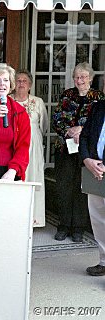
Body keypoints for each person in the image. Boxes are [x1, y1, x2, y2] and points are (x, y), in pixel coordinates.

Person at [52, 62, 105, 242]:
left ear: (90, 78)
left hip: (86, 151)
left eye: (83, 77)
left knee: (82, 188)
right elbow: (57, 118)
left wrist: (82, 129)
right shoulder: (67, 95)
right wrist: (69, 130)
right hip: (64, 147)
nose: (80, 80)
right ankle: (64, 225)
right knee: (64, 187)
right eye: (77, 77)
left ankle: (78, 228)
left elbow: (97, 124)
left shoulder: (99, 98)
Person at [11, 70, 48, 227]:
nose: (21, 83)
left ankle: (35, 219)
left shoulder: (37, 102)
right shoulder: (7, 100)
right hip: (13, 144)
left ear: (30, 85)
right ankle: (14, 220)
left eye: (24, 81)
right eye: (18, 80)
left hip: (33, 144)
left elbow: (44, 125)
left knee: (34, 177)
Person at [79, 100, 105, 276]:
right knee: (98, 219)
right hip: (93, 172)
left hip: (101, 169)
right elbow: (85, 136)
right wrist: (87, 160)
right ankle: (104, 262)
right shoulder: (99, 107)